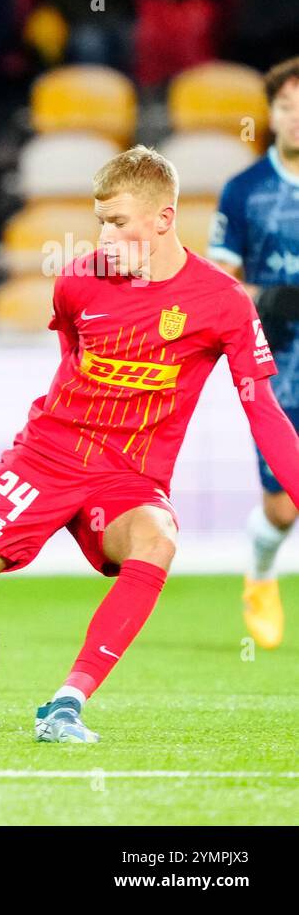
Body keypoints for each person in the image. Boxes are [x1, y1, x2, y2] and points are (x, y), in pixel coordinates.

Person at [0, 145, 299, 743]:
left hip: (127, 478)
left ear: (164, 218)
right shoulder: (79, 281)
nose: (105, 237)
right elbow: (72, 361)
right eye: (100, 221)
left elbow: (264, 412)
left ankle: (65, 704)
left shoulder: (221, 302)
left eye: (119, 222)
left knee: (157, 538)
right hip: (44, 459)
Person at [208, 56, 299, 650]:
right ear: (271, 115)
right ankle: (262, 572)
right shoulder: (244, 191)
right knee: (285, 508)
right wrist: (268, 299)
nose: (297, 120)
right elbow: (220, 283)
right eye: (288, 108)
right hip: (276, 362)